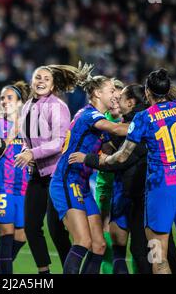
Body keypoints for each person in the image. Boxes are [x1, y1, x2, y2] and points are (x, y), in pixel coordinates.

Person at [96, 48, 176, 274]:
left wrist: (104, 160)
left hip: (160, 191)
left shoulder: (143, 118)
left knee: (157, 256)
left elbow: (123, 155)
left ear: (147, 92)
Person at [80, 84, 176, 274]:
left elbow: (121, 161)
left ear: (130, 102)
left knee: (148, 249)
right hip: (143, 196)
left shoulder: (142, 124)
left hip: (146, 198)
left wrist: (88, 159)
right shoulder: (137, 121)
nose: (116, 99)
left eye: (120, 97)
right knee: (159, 248)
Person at [48, 65, 130, 274]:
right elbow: (113, 129)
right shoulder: (89, 116)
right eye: (111, 90)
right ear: (96, 93)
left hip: (81, 185)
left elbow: (109, 149)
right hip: (67, 181)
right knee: (83, 241)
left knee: (99, 245)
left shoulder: (96, 120)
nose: (115, 95)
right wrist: (151, 122)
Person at [14, 63, 84, 274]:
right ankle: (44, 272)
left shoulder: (58, 106)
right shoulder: (26, 106)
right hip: (37, 175)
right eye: (38, 77)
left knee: (56, 230)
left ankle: (69, 270)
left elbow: (59, 143)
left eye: (46, 78)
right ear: (32, 81)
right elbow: (27, 139)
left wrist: (32, 154)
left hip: (57, 175)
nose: (41, 81)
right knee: (31, 227)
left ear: (53, 85)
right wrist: (27, 151)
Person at [0, 81, 30, 274]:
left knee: (21, 237)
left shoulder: (30, 127)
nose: (4, 101)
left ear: (20, 102)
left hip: (23, 188)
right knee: (7, 234)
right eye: (2, 97)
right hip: (1, 186)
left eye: (9, 97)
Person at [94, 78, 124, 274]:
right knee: (104, 241)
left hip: (126, 189)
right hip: (105, 186)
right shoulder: (100, 121)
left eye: (119, 96)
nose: (115, 99)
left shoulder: (130, 119)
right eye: (113, 94)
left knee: (133, 243)